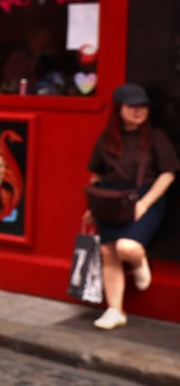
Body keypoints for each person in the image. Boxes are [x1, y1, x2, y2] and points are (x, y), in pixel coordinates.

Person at [84, 83, 178, 330]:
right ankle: (115, 310)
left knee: (127, 247)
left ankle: (138, 264)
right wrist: (93, 207)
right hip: (111, 199)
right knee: (108, 253)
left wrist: (146, 203)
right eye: (132, 107)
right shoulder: (106, 140)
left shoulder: (156, 137)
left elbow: (168, 174)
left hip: (143, 197)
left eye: (143, 107)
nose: (139, 111)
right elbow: (96, 175)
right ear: (118, 110)